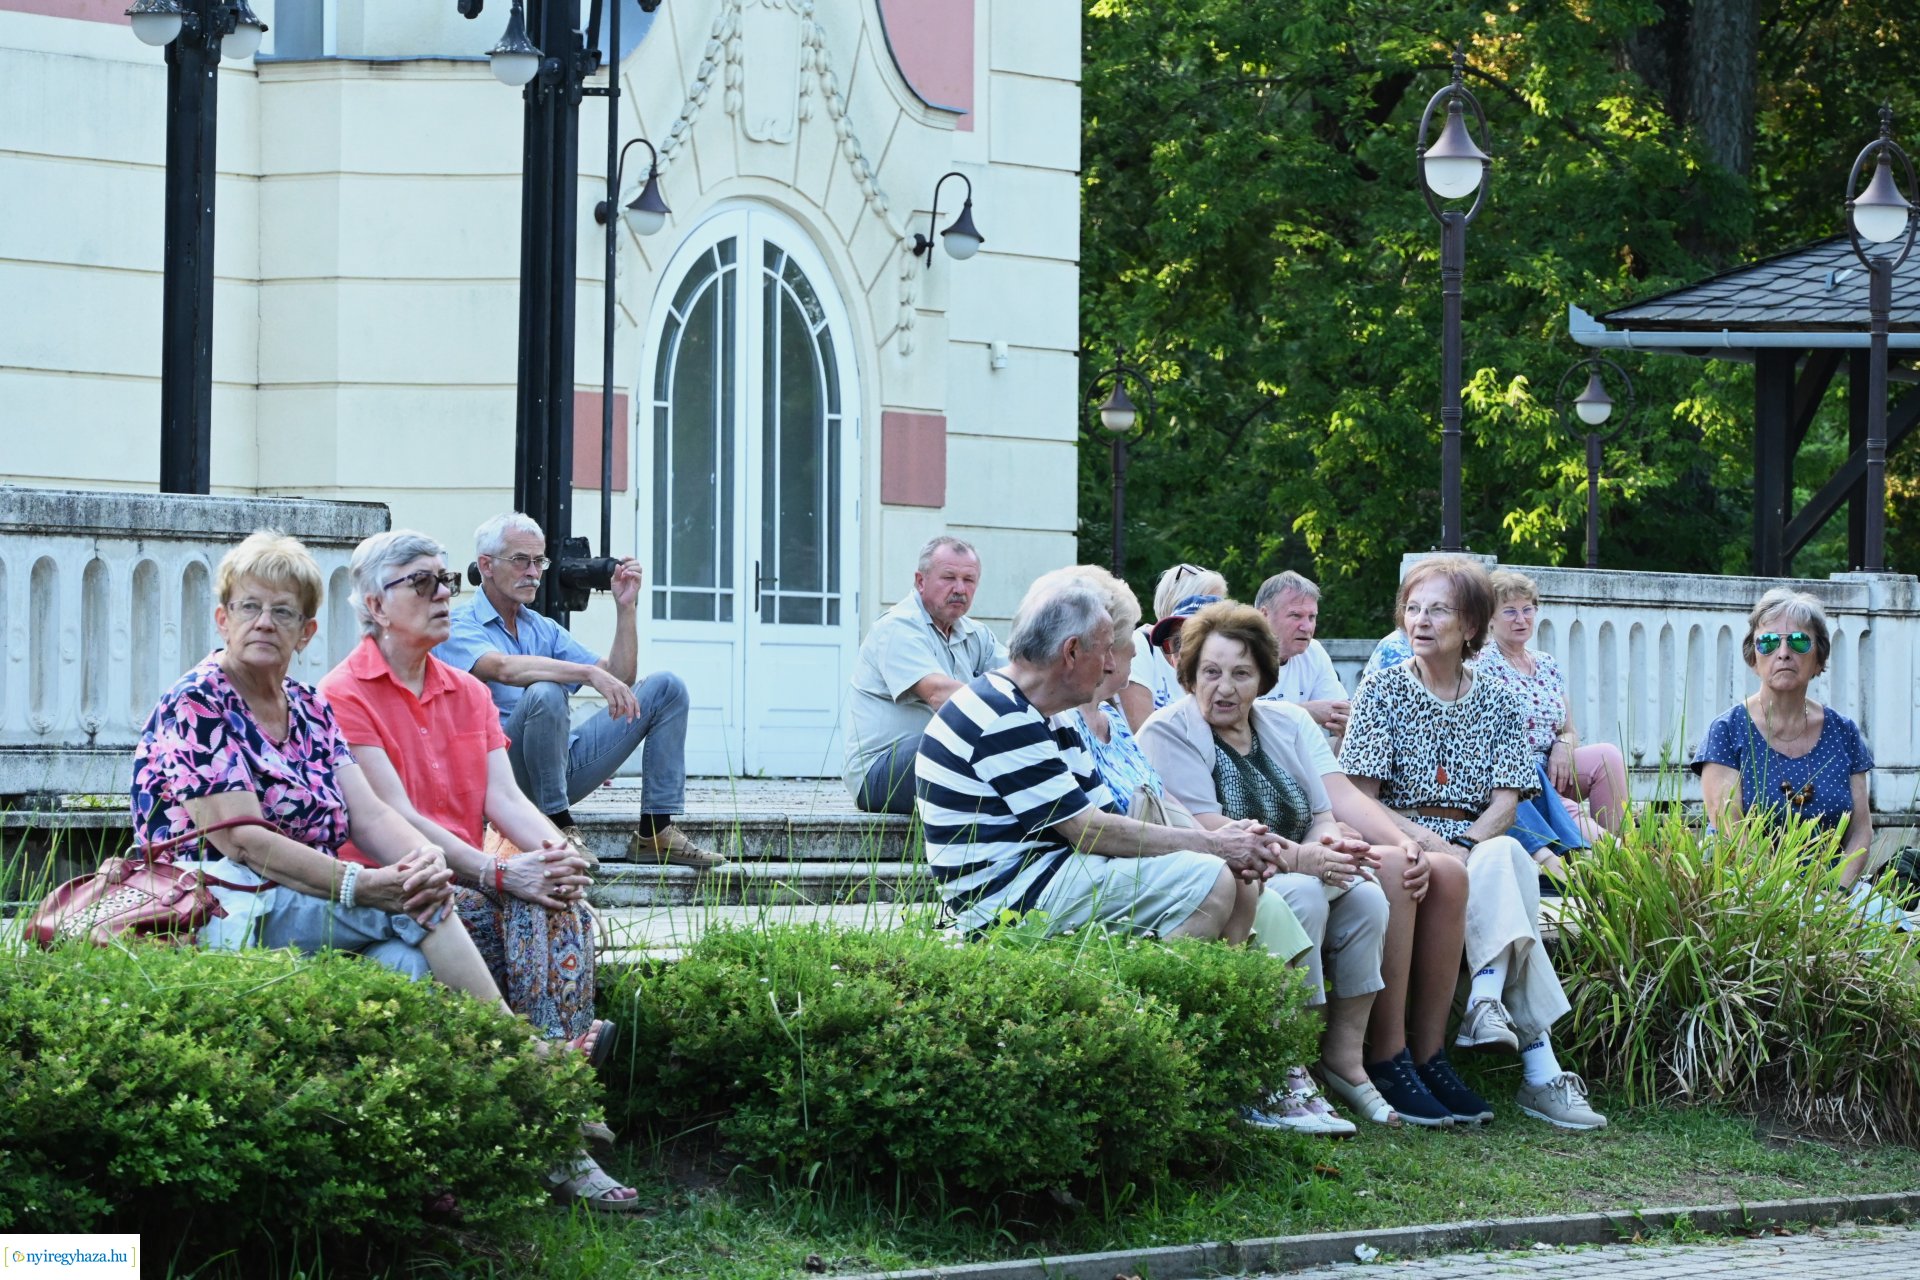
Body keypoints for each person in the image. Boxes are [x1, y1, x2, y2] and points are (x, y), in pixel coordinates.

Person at [130, 531, 635, 1211]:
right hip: (223, 899)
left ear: (307, 630)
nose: (264, 624)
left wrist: (430, 863)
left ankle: (434, 1162)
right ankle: (533, 1061)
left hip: (300, 899)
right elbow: (243, 843)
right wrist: (370, 884)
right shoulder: (200, 702)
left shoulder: (308, 709)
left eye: (283, 613)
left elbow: (368, 815)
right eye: (250, 608)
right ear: (222, 619)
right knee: (420, 901)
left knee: (415, 967)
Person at [1140, 601, 1478, 1131]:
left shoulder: (1288, 721)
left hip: (1305, 865)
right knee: (1301, 896)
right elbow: (1208, 826)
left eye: (1240, 674)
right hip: (1237, 879)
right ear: (1188, 674)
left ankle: (1346, 1061)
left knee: (1367, 896)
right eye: (1210, 672)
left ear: (1264, 679)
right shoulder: (1168, 731)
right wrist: (1306, 858)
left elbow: (1325, 808)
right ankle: (1284, 1063)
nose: (1223, 688)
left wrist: (1333, 845)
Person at [1340, 556, 1608, 1131]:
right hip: (1400, 833)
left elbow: (1507, 802)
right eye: (1412, 609)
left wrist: (1461, 842)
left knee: (1502, 853)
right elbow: (1360, 797)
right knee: (1496, 862)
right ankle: (1528, 1061)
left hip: (1475, 837)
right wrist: (1431, 841)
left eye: (1438, 609)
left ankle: (1447, 1043)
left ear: (1470, 626)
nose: (1421, 620)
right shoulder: (1382, 688)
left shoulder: (1497, 697)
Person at [320, 530, 599, 1044]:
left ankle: (556, 1060)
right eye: (423, 583)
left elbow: (505, 798)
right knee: (530, 908)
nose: (445, 593)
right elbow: (395, 813)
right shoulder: (342, 695)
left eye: (446, 580)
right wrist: (502, 873)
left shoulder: (469, 690)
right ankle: (558, 1065)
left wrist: (558, 856)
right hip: (397, 881)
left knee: (563, 900)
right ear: (378, 606)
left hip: (470, 874)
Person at [916, 575, 1288, 948]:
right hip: (1009, 903)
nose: (1111, 665)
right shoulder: (1002, 714)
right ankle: (1148, 1000)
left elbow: (1111, 817)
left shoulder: (1050, 714)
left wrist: (1218, 841)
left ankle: (1211, 993)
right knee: (1209, 878)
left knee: (1237, 877)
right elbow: (1089, 830)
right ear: (1072, 652)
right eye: (1107, 649)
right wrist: (1213, 845)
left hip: (1052, 875)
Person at [434, 513, 719, 869]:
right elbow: (502, 668)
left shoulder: (542, 628)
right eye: (521, 560)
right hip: (497, 778)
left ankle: (655, 832)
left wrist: (625, 608)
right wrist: (586, 673)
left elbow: (619, 676)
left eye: (539, 561)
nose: (533, 572)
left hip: (557, 766)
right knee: (546, 691)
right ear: (486, 565)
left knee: (666, 688)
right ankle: (557, 826)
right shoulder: (457, 626)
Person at [1693, 588, 1873, 889]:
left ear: (1819, 659)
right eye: (1769, 642)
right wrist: (1785, 900)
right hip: (1748, 891)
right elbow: (1730, 830)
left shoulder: (1844, 732)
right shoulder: (1727, 730)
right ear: (1754, 658)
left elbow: (1860, 831)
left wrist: (1836, 894)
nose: (1784, 652)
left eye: (1800, 641)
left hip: (1831, 894)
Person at [844, 536, 1006, 813]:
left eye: (969, 580)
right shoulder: (897, 627)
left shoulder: (977, 634)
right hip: (879, 774)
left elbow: (1020, 680)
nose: (959, 589)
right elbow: (938, 694)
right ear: (921, 581)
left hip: (938, 759)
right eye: (948, 578)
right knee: (968, 739)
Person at [1475, 570, 1628, 857]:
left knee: (1607, 755)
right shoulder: (1482, 665)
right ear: (1490, 618)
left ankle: (1620, 842)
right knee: (1561, 805)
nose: (1521, 619)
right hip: (1519, 772)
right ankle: (1614, 853)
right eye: (1509, 611)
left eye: (1527, 609)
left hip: (1556, 764)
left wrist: (1563, 744)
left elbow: (1569, 728)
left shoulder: (1546, 664)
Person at [1118, 563, 1227, 730]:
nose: (1219, 617)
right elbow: (1145, 734)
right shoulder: (1141, 646)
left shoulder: (1222, 654)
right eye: (1208, 607)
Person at [1253, 571, 1351, 743]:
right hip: (1251, 756)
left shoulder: (1314, 651)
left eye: (1312, 617)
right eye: (1296, 615)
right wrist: (1306, 712)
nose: (1307, 627)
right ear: (1264, 615)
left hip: (1303, 754)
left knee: (1352, 746)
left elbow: (1340, 711)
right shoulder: (1239, 653)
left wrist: (1347, 721)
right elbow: (1238, 717)